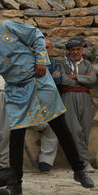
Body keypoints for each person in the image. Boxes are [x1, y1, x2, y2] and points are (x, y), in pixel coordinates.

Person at [0, 10, 94, 195]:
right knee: (16, 136)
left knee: (60, 126)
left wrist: (41, 60)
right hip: (16, 92)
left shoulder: (7, 28)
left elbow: (35, 35)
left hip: (40, 82)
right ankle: (16, 182)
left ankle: (79, 171)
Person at [59, 36, 97, 173]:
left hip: (85, 98)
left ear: (82, 49)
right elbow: (63, 80)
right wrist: (83, 79)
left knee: (85, 129)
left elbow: (92, 80)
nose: (75, 52)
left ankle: (81, 161)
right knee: (75, 130)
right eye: (73, 49)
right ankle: (85, 162)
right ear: (69, 50)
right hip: (68, 97)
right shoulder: (63, 63)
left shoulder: (87, 64)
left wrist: (75, 77)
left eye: (78, 49)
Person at [33, 38, 61, 173]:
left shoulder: (54, 64)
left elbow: (59, 79)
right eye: (42, 47)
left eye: (47, 48)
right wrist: (50, 77)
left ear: (51, 50)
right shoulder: (29, 62)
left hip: (50, 101)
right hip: (32, 102)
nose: (44, 50)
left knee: (53, 129)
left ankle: (45, 162)